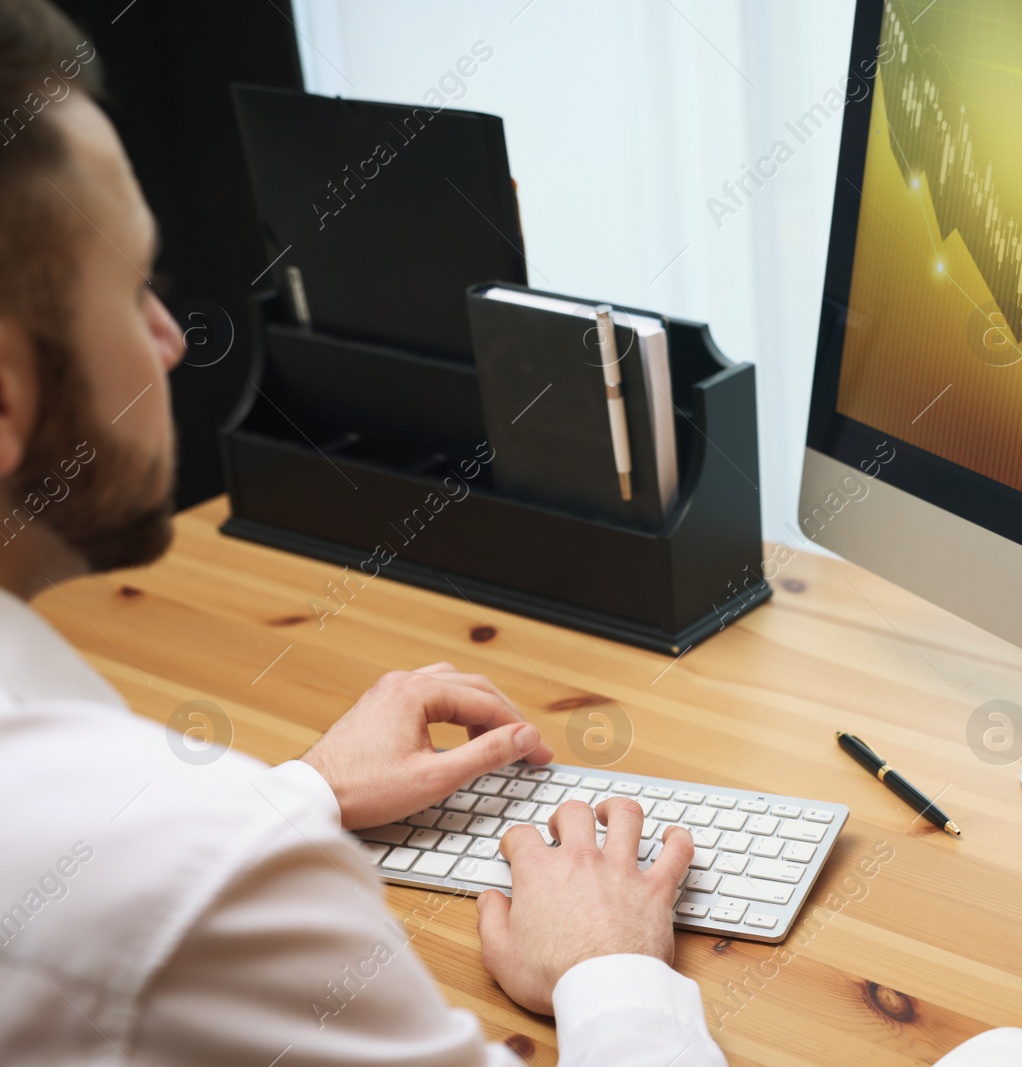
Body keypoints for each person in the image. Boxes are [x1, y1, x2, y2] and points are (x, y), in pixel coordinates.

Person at [0, 2, 727, 1063]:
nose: (168, 338)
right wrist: (609, 967)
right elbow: (137, 887)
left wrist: (300, 794)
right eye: (133, 288)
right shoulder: (169, 872)